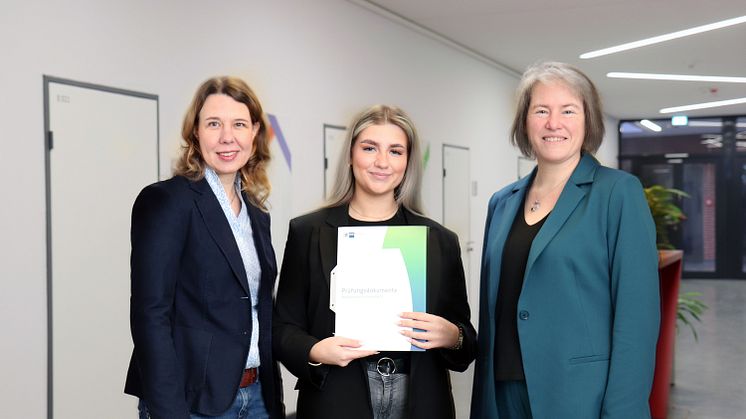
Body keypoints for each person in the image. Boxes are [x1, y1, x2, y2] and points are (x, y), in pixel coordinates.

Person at [470, 62, 660, 419]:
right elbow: (492, 312)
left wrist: (624, 411)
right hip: (503, 395)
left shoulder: (617, 193)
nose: (553, 123)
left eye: (568, 110)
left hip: (580, 396)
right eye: (541, 110)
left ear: (587, 120)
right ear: (525, 122)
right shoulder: (502, 202)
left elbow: (638, 318)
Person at [273, 105, 476, 419]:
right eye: (370, 148)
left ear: (408, 162)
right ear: (351, 155)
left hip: (420, 400)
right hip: (337, 398)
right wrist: (315, 351)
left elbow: (467, 343)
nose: (382, 162)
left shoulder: (439, 241)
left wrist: (453, 335)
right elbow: (284, 327)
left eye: (395, 151)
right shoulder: (307, 232)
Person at [124, 76, 284, 419]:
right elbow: (150, 316)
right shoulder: (167, 201)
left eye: (239, 124)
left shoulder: (256, 212)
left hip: (256, 396)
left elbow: (261, 311)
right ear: (195, 131)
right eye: (214, 123)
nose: (227, 137)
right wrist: (170, 412)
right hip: (192, 401)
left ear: (254, 133)